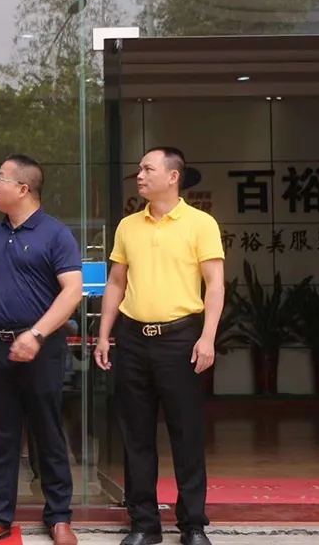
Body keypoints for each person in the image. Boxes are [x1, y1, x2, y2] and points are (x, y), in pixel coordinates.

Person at [0, 154, 83, 545]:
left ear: (23, 189)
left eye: (0, 178)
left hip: (41, 348)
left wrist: (37, 334)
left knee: (48, 432)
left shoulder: (56, 234)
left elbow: (72, 292)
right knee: (1, 434)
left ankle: (59, 517)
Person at [95, 147, 224, 545]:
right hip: (133, 340)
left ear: (172, 176)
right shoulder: (128, 226)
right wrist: (104, 334)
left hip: (181, 339)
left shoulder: (201, 223)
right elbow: (116, 282)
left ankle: (193, 525)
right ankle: (144, 525)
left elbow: (215, 284)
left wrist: (208, 337)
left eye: (147, 169)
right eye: (139, 169)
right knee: (136, 436)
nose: (139, 175)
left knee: (187, 434)